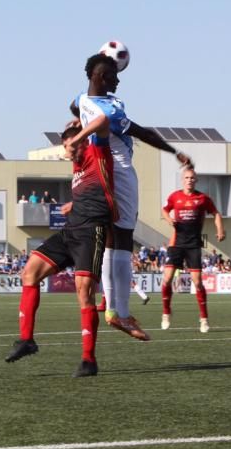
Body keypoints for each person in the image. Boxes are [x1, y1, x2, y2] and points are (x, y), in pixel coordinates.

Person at [70, 52, 191, 340]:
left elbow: (73, 106)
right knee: (123, 240)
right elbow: (142, 132)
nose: (118, 80)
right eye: (113, 75)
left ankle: (113, 308)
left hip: (96, 172)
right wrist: (173, 150)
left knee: (111, 238)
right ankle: (119, 312)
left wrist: (80, 125)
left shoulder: (81, 99)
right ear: (100, 77)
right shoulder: (112, 112)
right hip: (120, 173)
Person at [4, 121, 117, 378]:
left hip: (92, 232)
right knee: (29, 273)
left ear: (78, 142)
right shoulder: (76, 166)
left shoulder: (97, 151)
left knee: (83, 293)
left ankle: (89, 360)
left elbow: (103, 122)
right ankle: (26, 340)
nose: (65, 153)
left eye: (67, 147)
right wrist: (71, 205)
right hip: (70, 231)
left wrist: (82, 129)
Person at [160, 166, 225, 332]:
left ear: (196, 180)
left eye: (192, 178)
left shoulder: (203, 198)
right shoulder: (175, 196)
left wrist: (220, 230)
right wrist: (168, 219)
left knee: (197, 282)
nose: (189, 180)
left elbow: (216, 213)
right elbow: (165, 209)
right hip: (176, 243)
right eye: (187, 178)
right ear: (183, 180)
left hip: (194, 244)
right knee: (166, 280)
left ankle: (203, 319)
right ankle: (166, 313)